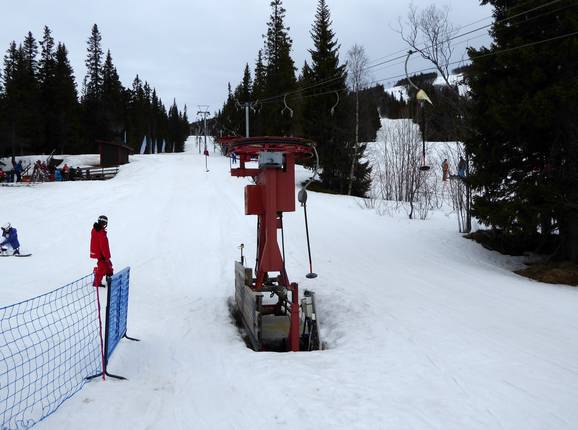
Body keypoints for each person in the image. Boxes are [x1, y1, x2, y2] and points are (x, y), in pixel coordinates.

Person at [90, 215, 113, 287]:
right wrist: (106, 256)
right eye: (104, 223)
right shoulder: (100, 232)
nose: (104, 225)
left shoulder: (95, 229)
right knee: (102, 268)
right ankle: (96, 283)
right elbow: (104, 246)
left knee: (108, 265)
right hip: (101, 254)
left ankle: (109, 276)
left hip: (99, 252)